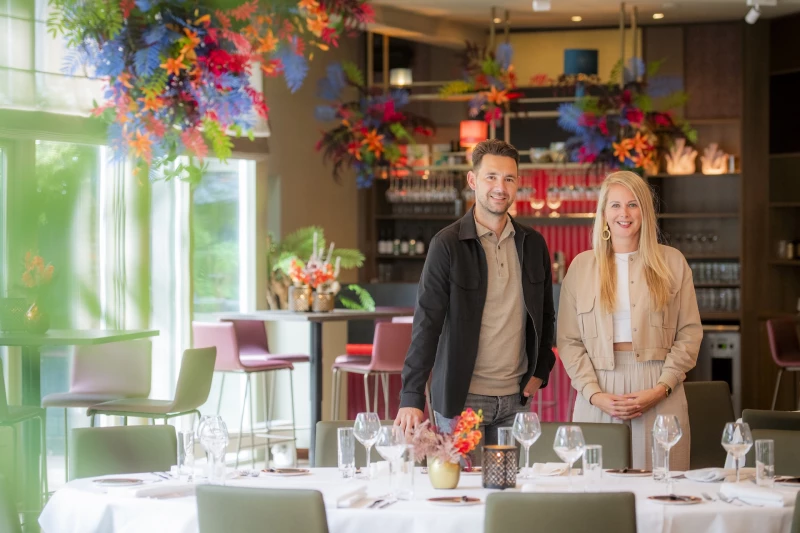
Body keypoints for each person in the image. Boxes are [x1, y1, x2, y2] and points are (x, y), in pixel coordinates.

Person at [394, 139, 556, 444]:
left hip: (516, 401)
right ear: (473, 180)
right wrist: (411, 395)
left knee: (507, 491)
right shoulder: (447, 245)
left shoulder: (533, 244)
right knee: (461, 491)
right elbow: (426, 323)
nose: (500, 187)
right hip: (462, 400)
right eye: (491, 177)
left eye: (509, 179)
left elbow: (547, 315)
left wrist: (541, 369)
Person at [558, 170, 702, 470]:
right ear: (604, 213)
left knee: (663, 491)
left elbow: (689, 334)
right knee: (596, 494)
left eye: (633, 204)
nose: (624, 213)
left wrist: (661, 389)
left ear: (645, 211)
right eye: (615, 205)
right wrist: (594, 394)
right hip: (598, 389)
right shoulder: (581, 267)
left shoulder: (673, 262)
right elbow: (569, 341)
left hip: (660, 388)